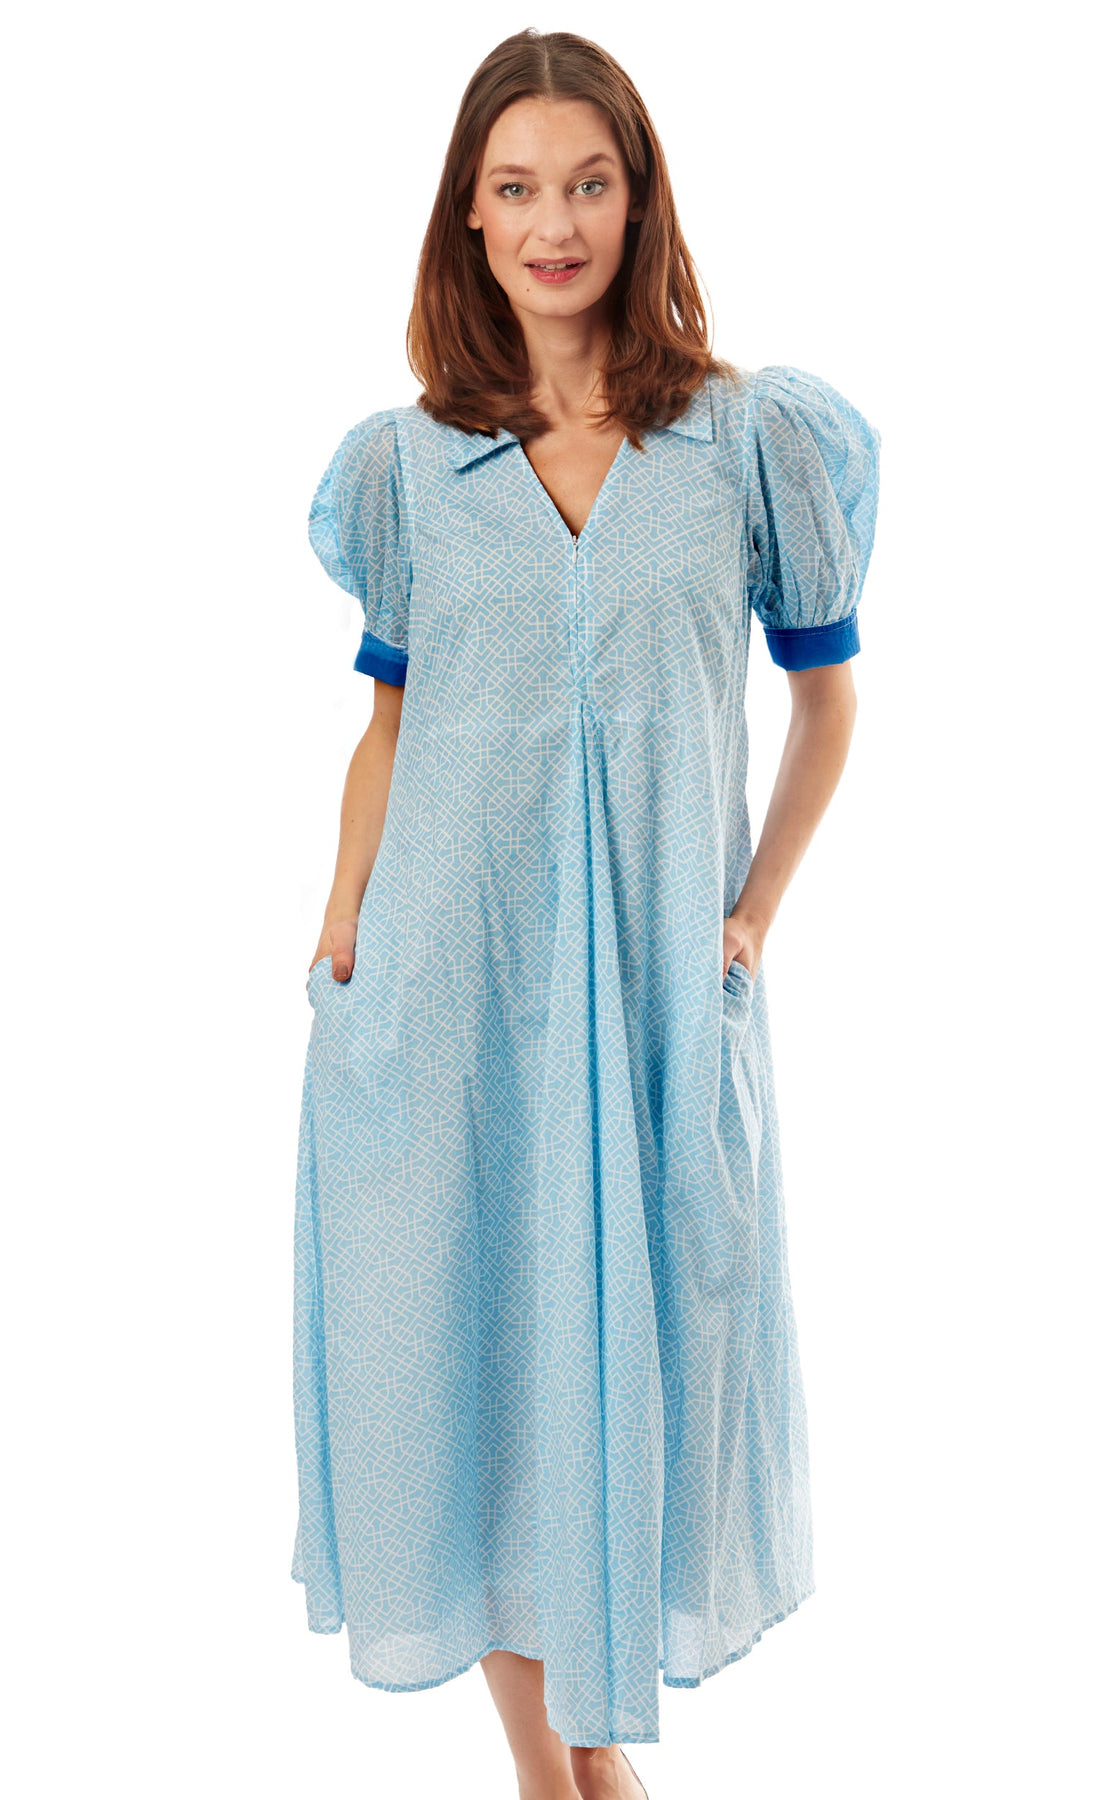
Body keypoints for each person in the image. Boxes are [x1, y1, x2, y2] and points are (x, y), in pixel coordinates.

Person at [291, 27, 881, 1800]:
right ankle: (567, 1779)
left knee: (643, 1358)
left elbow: (828, 702)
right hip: (447, 993)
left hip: (650, 999)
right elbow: (390, 725)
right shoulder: (409, 469)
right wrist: (341, 927)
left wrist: (754, 915)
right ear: (469, 219)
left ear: (639, 199)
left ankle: (585, 1774)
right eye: (519, 189)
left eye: (589, 183)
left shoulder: (749, 443)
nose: (556, 224)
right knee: (468, 1366)